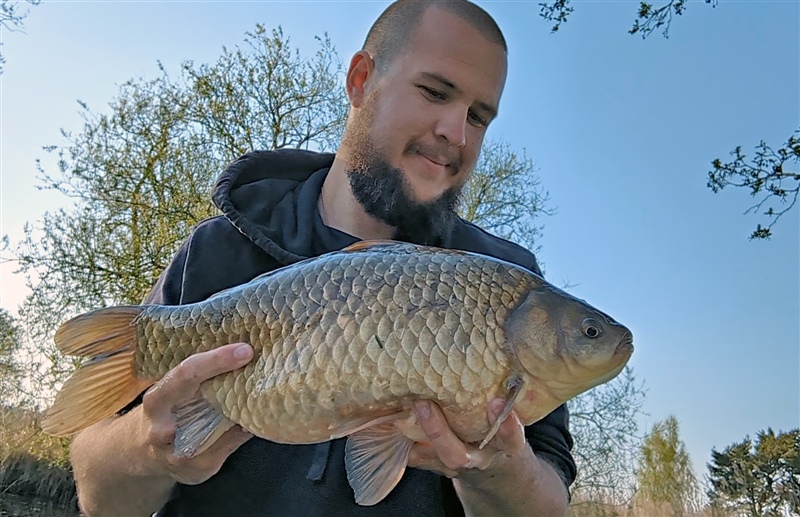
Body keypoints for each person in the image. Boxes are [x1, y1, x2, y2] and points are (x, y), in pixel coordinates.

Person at [69, 1, 576, 515]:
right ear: (360, 81)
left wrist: (499, 469)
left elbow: (549, 498)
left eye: (478, 116)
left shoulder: (507, 288)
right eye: (435, 92)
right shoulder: (216, 250)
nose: (457, 133)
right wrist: (146, 450)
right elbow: (97, 496)